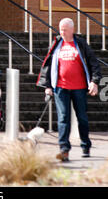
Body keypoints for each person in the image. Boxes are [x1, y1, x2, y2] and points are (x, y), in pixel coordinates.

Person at [37, 17, 102, 161]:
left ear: (72, 29)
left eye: (65, 30)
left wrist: (94, 82)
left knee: (82, 118)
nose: (63, 32)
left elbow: (94, 63)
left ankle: (85, 145)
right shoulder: (56, 44)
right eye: (61, 29)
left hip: (79, 88)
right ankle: (64, 149)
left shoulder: (81, 44)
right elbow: (47, 66)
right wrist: (47, 86)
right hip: (61, 88)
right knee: (63, 118)